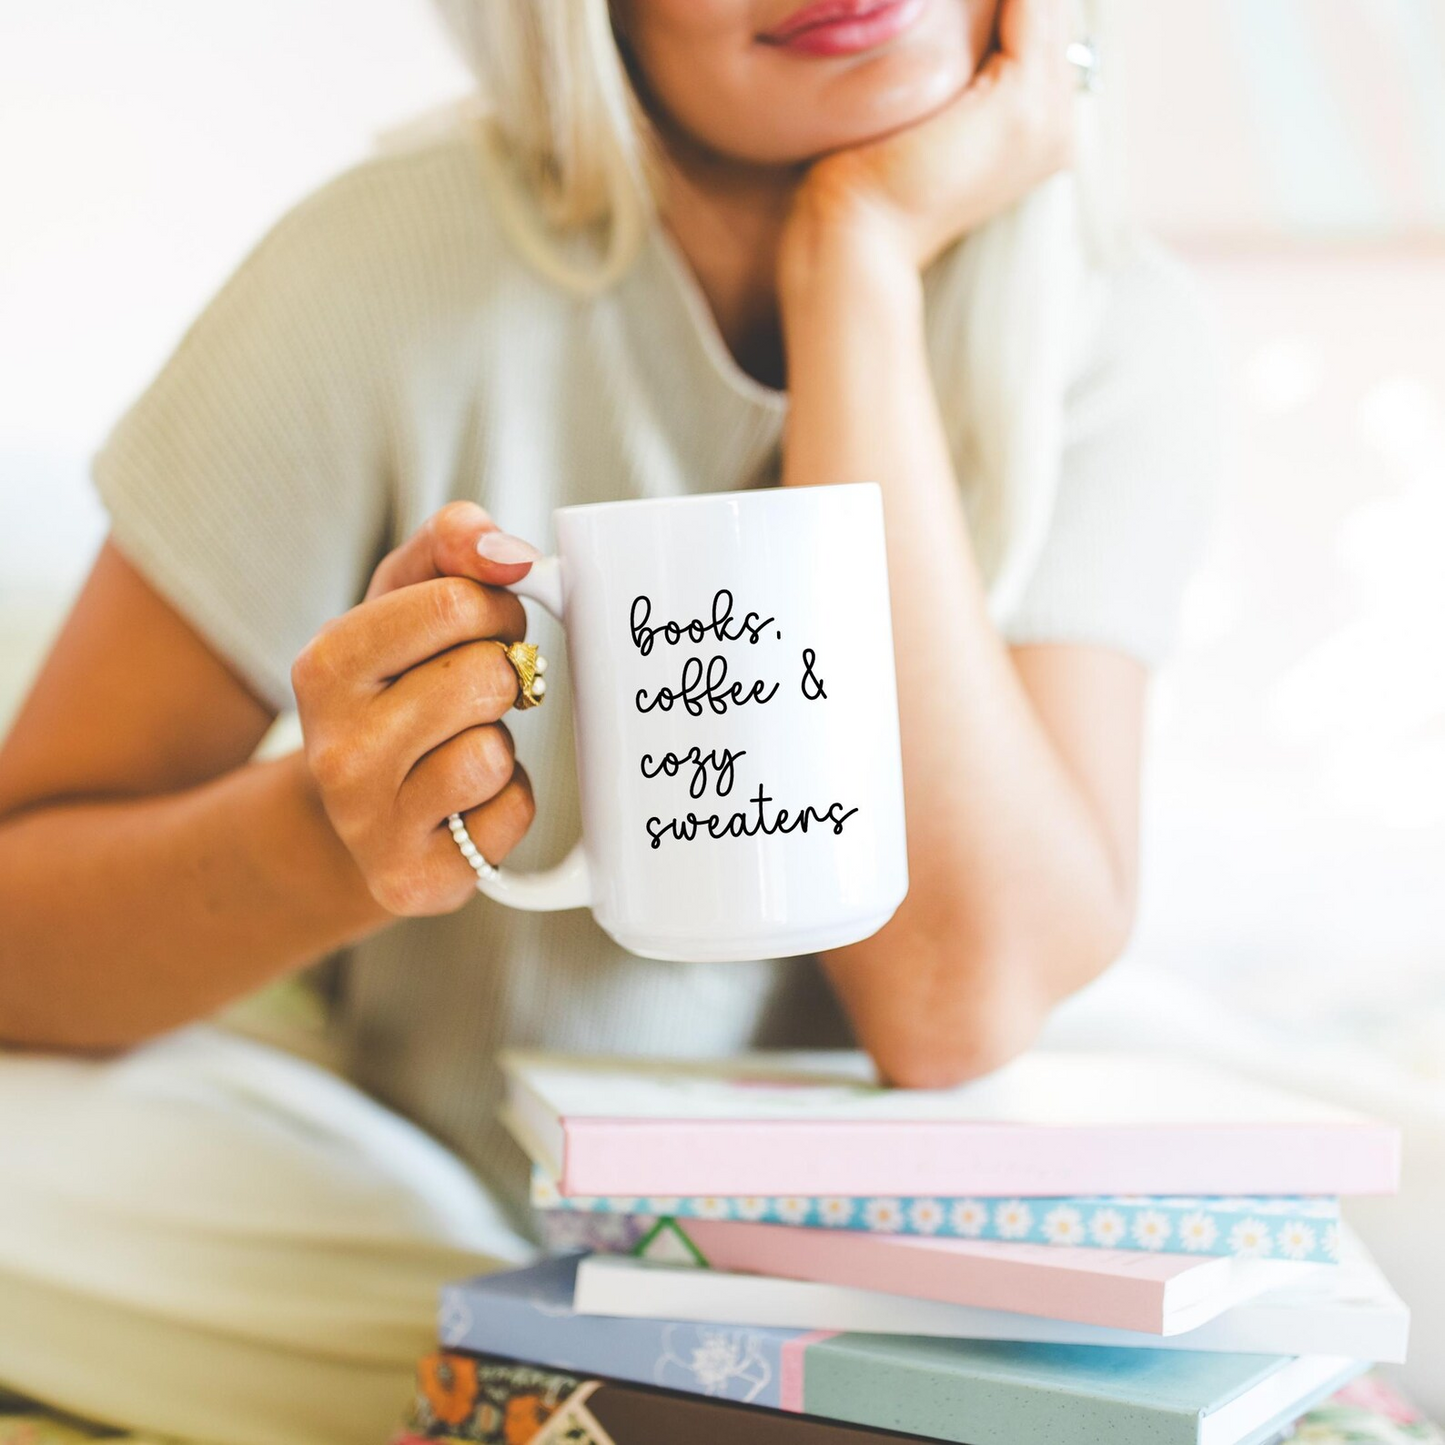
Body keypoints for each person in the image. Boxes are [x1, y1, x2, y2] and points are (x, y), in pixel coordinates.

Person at [0, 0, 1222, 1439]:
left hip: (907, 1226)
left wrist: (857, 267)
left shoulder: (1112, 324)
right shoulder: (382, 269)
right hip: (444, 1191)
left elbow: (957, 1008)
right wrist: (336, 839)